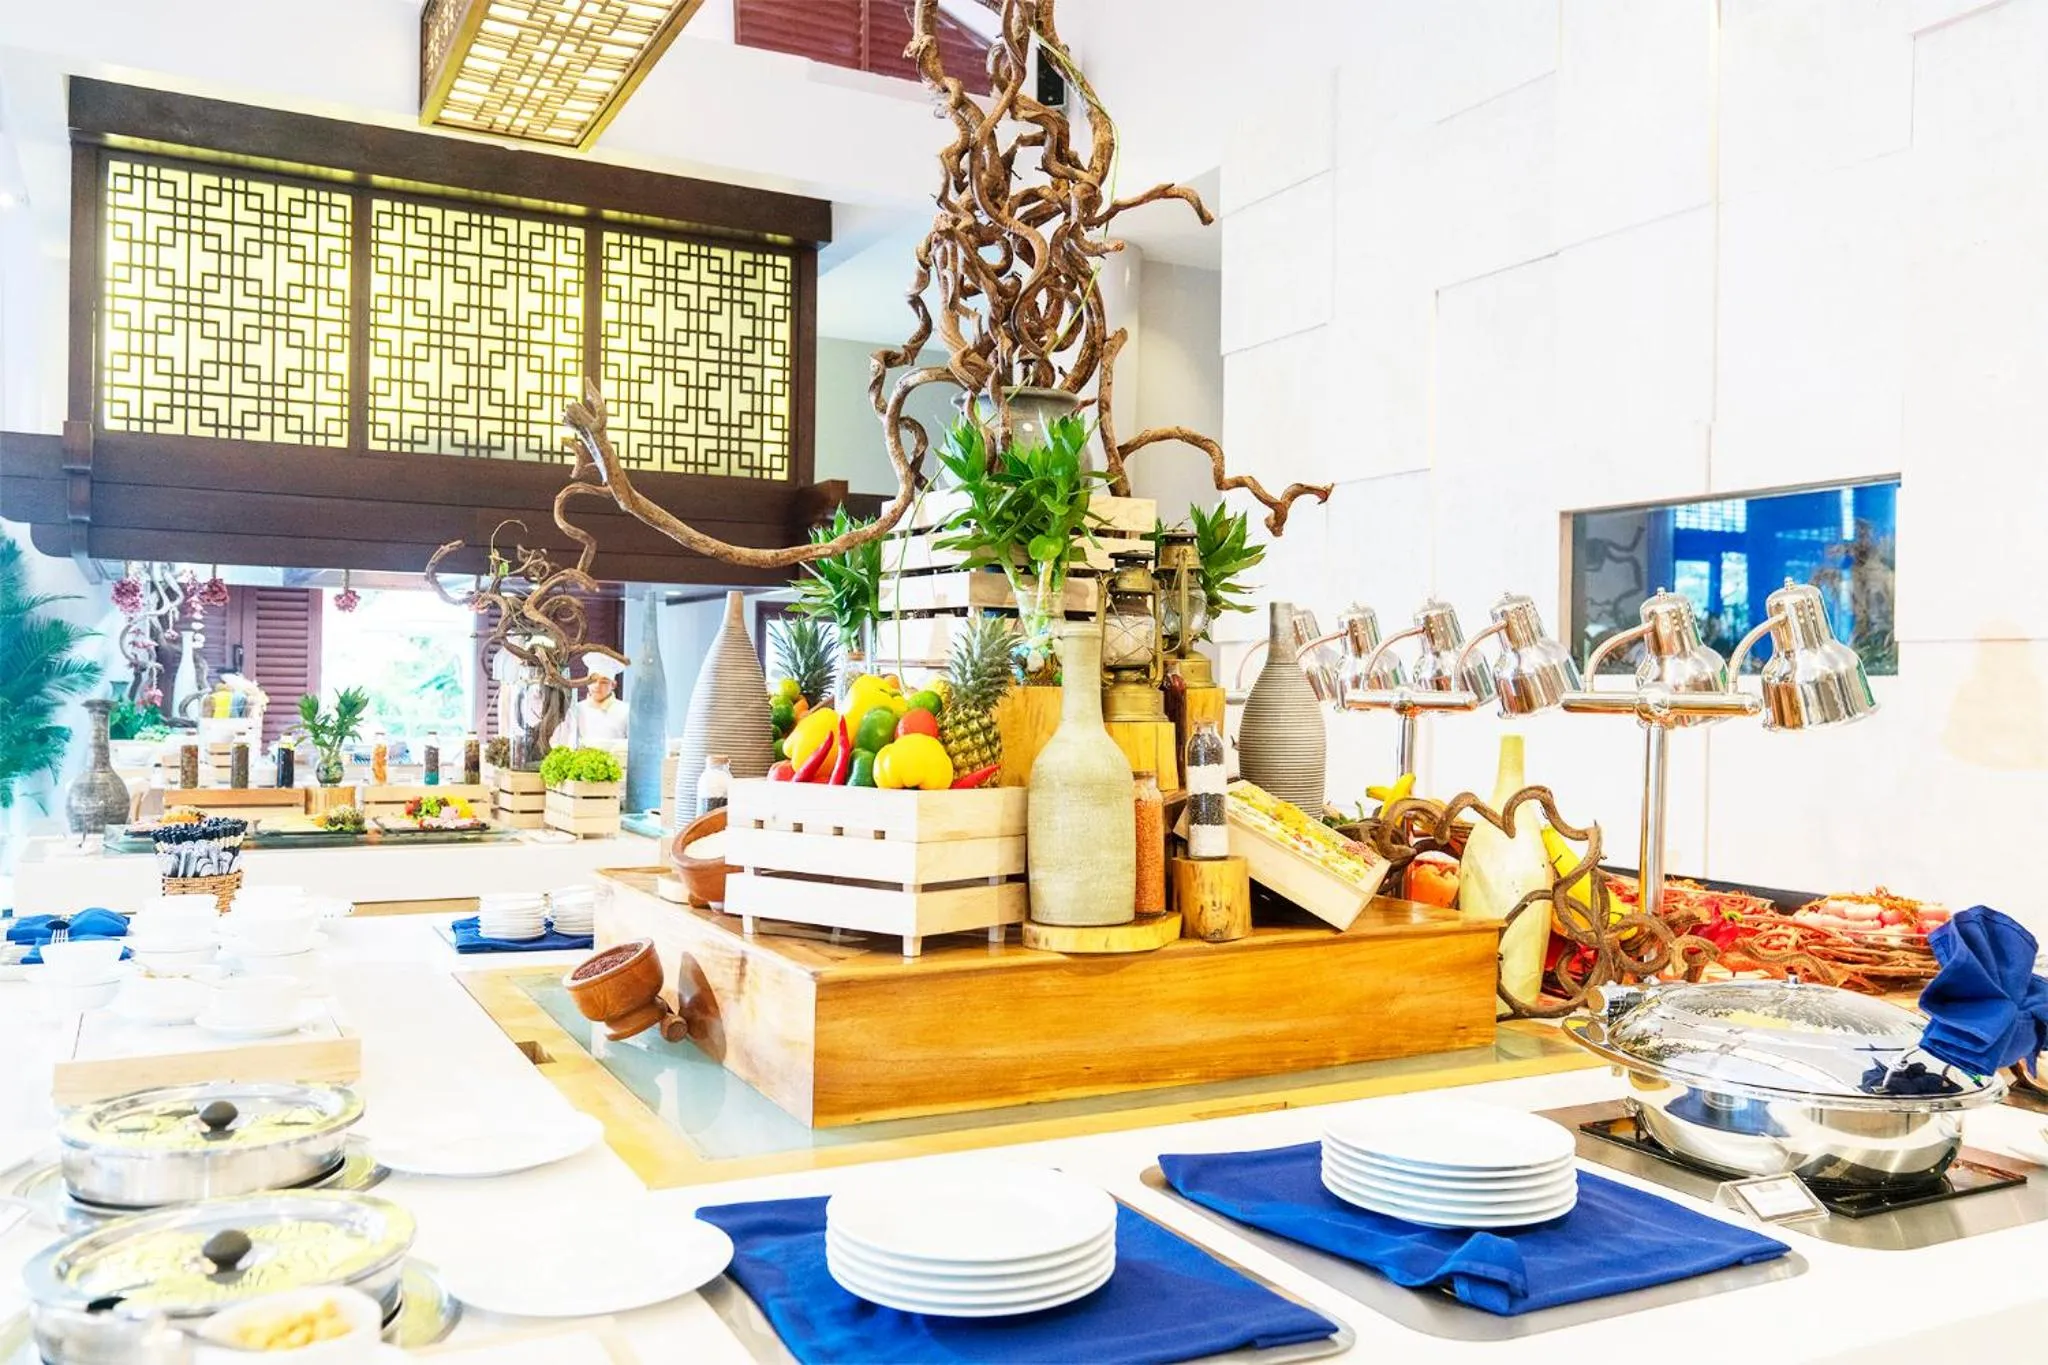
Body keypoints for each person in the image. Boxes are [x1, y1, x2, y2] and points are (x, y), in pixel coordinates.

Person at [566, 653, 630, 750]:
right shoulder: (577, 710)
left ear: (613, 685)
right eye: (593, 680)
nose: (597, 686)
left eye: (604, 682)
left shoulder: (626, 710)